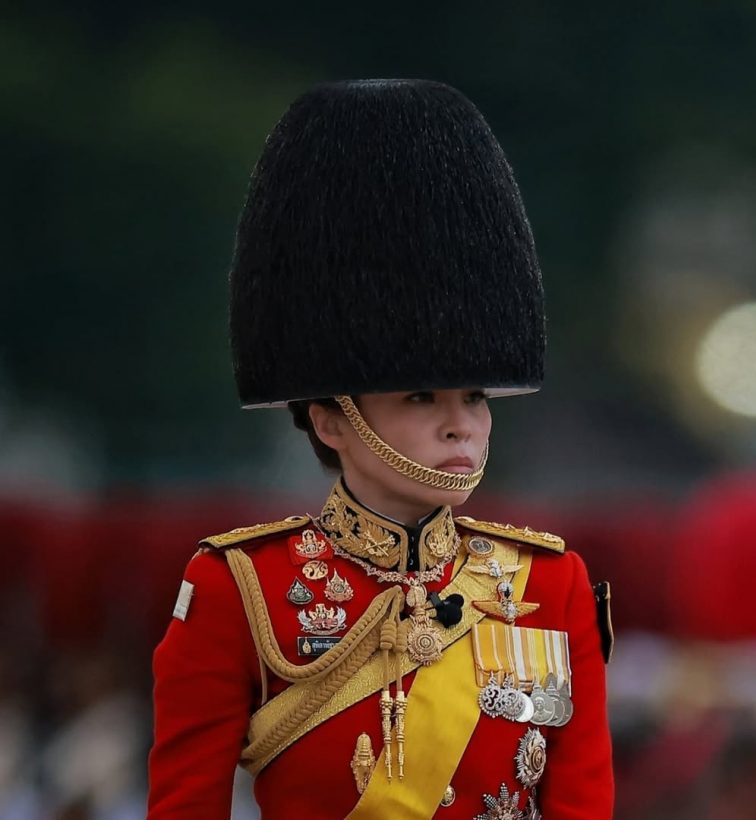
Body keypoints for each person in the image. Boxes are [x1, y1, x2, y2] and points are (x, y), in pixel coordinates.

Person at [147, 78, 614, 819]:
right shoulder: (239, 589)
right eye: (422, 397)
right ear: (332, 420)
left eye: (474, 397)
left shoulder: (549, 585)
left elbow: (581, 801)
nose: (462, 424)